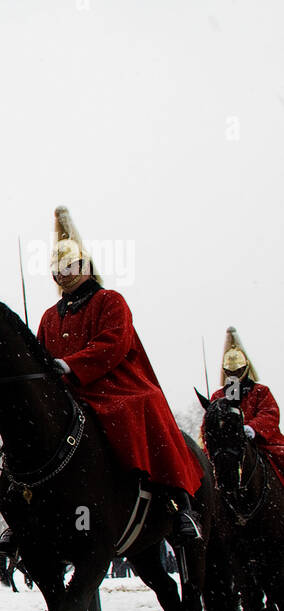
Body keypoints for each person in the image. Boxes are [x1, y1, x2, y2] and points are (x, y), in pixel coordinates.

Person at [33, 206, 203, 546]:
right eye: (56, 269)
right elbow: (39, 355)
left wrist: (71, 365)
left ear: (84, 266)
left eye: (68, 266)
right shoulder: (50, 316)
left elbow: (114, 343)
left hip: (114, 385)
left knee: (145, 402)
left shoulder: (110, 300)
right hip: (69, 393)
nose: (62, 274)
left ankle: (179, 501)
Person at [203, 327, 284, 483]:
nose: (235, 376)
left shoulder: (260, 391)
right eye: (231, 372)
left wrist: (252, 428)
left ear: (245, 369)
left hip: (262, 444)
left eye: (238, 372)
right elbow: (209, 423)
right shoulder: (218, 397)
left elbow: (270, 414)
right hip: (225, 447)